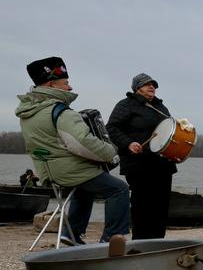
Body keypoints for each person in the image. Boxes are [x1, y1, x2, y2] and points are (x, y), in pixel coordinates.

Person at [15, 56, 129, 244]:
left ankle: (72, 233)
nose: (70, 88)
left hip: (47, 171)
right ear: (51, 85)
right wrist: (110, 152)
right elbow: (81, 143)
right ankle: (112, 239)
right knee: (119, 189)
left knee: (85, 187)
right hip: (68, 171)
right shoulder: (60, 111)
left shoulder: (28, 113)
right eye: (66, 83)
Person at [107, 73, 177, 240]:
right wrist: (128, 143)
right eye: (147, 84)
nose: (152, 87)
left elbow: (168, 132)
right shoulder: (126, 105)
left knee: (161, 205)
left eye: (153, 84)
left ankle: (158, 241)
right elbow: (112, 127)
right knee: (142, 205)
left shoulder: (161, 107)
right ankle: (140, 242)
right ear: (137, 88)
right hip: (138, 164)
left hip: (162, 164)